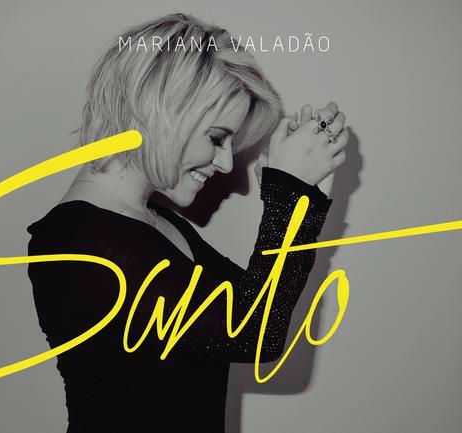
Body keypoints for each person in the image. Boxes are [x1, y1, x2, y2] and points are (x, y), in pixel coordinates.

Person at [27, 13, 348, 433]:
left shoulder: (152, 220)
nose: (227, 162)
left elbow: (258, 304)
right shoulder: (78, 245)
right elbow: (254, 333)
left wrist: (303, 199)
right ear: (161, 114)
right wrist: (289, 198)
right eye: (216, 138)